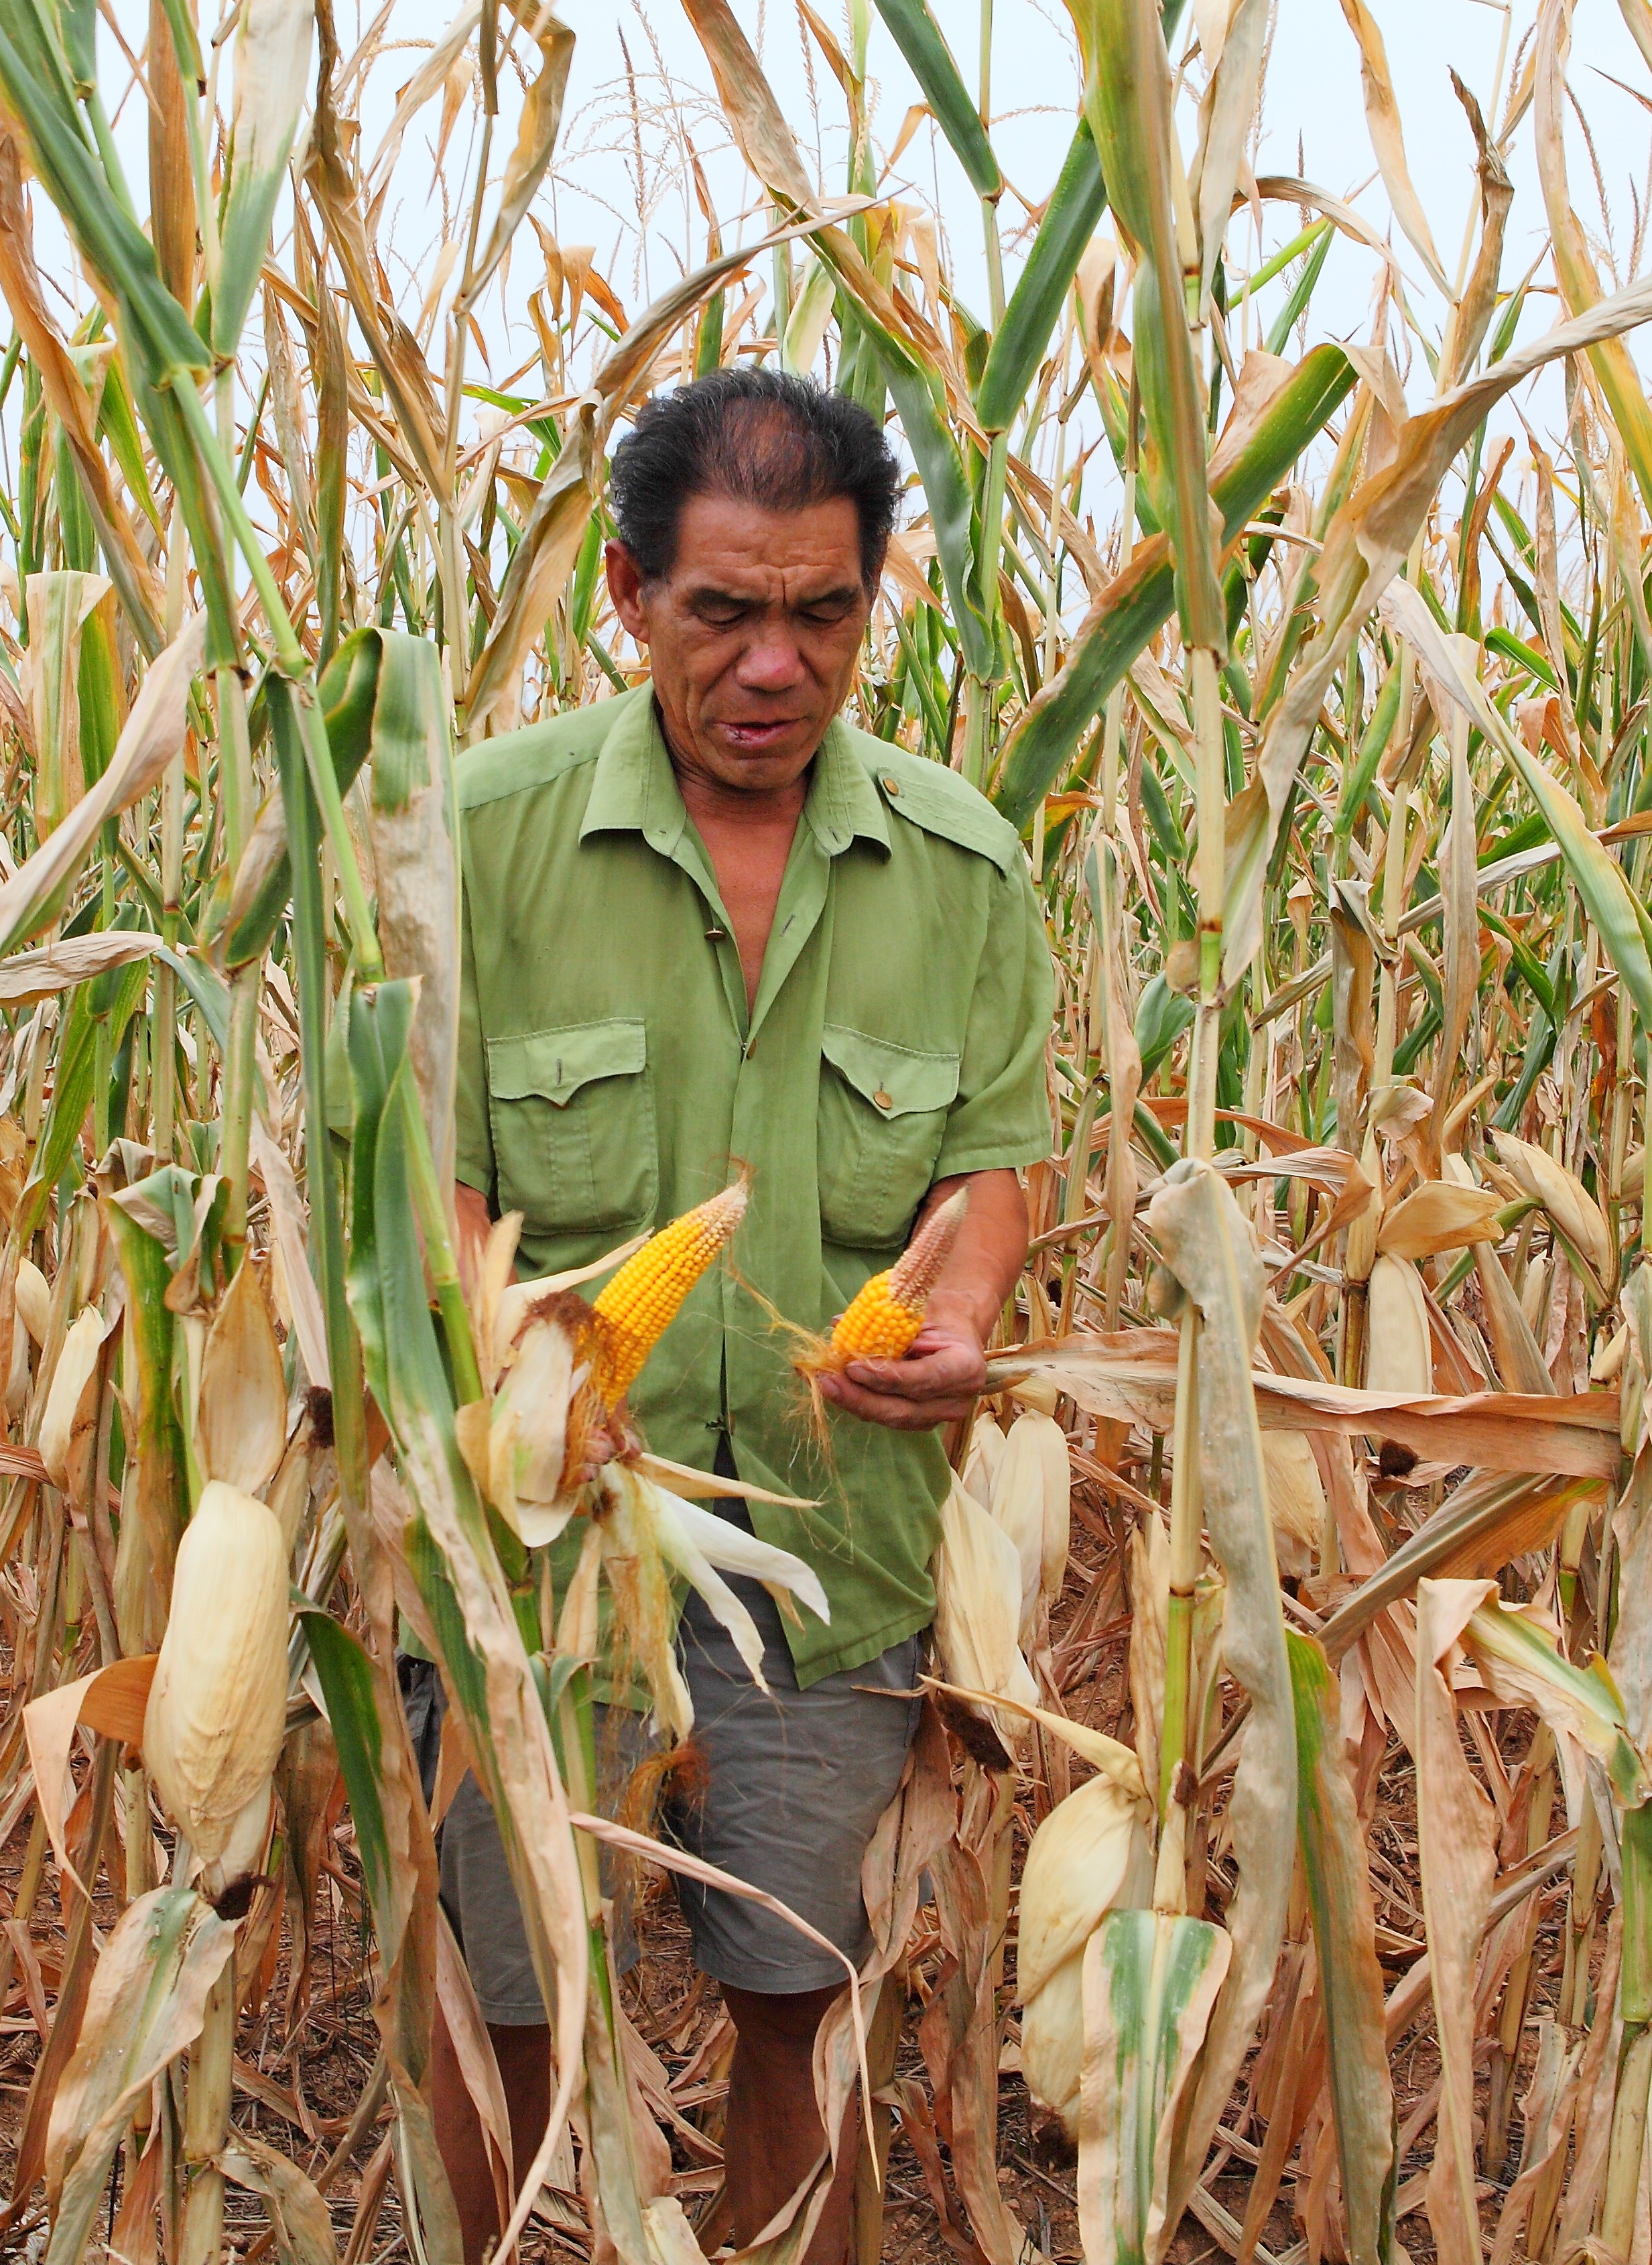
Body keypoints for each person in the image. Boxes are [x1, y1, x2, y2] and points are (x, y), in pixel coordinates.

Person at [426, 367, 1054, 2265]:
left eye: (822, 612)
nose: (774, 664)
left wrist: (962, 1319)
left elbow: (992, 1175)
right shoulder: (488, 838)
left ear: (872, 603)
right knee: (513, 2023)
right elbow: (423, 1184)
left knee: (803, 2018)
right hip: (534, 1573)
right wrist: (513, 1357)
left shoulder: (960, 868)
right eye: (724, 611)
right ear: (628, 595)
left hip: (823, 1569)